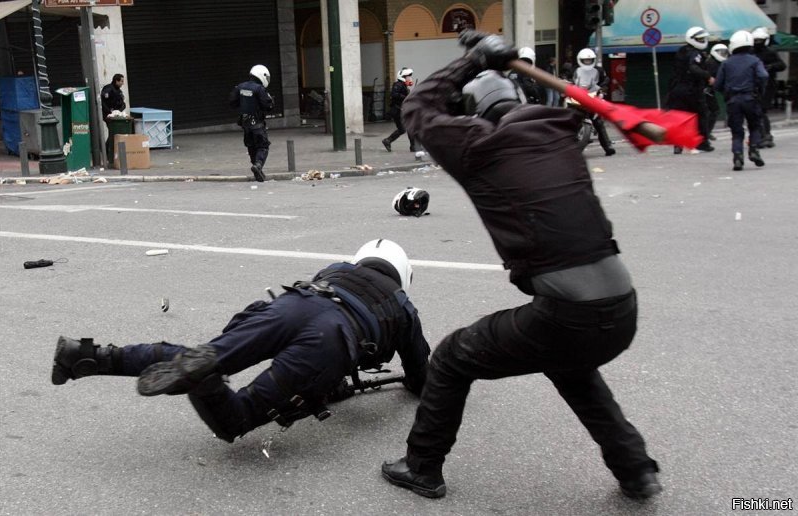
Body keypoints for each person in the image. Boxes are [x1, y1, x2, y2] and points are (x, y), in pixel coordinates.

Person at [381, 31, 661, 500]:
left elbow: (418, 108)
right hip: (621, 307)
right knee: (570, 366)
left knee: (451, 358)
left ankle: (421, 466)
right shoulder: (560, 137)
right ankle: (635, 470)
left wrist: (471, 61)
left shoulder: (477, 146)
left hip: (569, 313)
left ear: (476, 112)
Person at [51, 239, 430, 443]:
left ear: (361, 259)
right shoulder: (403, 307)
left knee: (206, 355)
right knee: (236, 418)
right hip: (332, 339)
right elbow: (419, 373)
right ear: (403, 275)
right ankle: (205, 381)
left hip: (293, 305)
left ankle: (86, 355)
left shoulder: (336, 269)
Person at [715, 31, 768, 171]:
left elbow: (717, 84)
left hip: (733, 100)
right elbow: (763, 76)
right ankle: (754, 150)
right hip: (751, 98)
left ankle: (738, 157)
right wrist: (759, 90)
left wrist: (727, 93)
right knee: (755, 126)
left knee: (737, 131)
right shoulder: (755, 60)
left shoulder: (726, 63)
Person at [666, 27, 715, 154]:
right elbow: (693, 68)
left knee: (680, 117)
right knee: (701, 115)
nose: (703, 41)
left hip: (677, 89)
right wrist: (707, 76)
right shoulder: (695, 53)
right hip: (692, 89)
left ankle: (678, 144)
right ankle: (702, 143)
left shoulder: (681, 51)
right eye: (700, 39)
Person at [229, 64, 275, 182]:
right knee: (263, 146)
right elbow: (268, 106)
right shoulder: (259, 89)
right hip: (257, 124)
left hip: (245, 124)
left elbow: (232, 102)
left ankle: (257, 169)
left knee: (251, 146)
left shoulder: (240, 87)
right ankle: (258, 165)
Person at [572, 48, 616, 156]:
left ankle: (608, 146)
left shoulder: (599, 70)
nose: (588, 62)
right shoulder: (575, 70)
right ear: (580, 60)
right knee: (570, 118)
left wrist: (602, 89)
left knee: (598, 122)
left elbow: (605, 80)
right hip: (578, 96)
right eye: (585, 60)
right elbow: (568, 79)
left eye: (590, 60)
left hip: (593, 96)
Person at [751, 27, 786, 148]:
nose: (757, 43)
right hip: (754, 85)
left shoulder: (770, 52)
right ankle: (761, 135)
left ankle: (766, 135)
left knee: (761, 110)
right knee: (756, 111)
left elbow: (782, 65)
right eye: (756, 40)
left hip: (768, 85)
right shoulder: (751, 52)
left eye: (760, 40)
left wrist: (770, 67)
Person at [383, 68, 418, 152]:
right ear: (403, 77)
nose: (409, 78)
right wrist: (405, 97)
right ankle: (388, 141)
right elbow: (394, 94)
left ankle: (388, 141)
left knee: (406, 128)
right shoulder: (398, 84)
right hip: (397, 111)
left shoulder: (404, 86)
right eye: (408, 77)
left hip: (402, 110)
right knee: (405, 128)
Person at [704, 43, 728, 141]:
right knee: (713, 111)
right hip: (705, 90)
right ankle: (705, 133)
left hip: (710, 90)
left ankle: (706, 132)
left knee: (712, 111)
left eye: (724, 52)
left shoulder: (718, 63)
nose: (723, 54)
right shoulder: (711, 63)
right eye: (721, 52)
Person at [100, 73, 126, 162]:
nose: (123, 83)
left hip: (115, 115)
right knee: (112, 134)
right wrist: (109, 112)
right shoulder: (108, 89)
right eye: (121, 81)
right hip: (109, 116)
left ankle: (109, 152)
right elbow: (103, 102)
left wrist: (119, 110)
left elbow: (122, 103)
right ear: (116, 81)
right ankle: (106, 151)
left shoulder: (118, 91)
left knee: (114, 133)